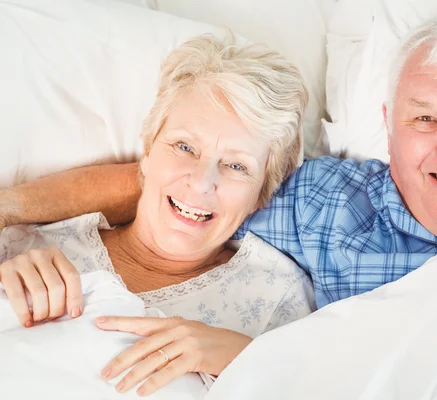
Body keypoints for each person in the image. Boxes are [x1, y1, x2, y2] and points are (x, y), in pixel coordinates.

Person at [2, 13, 437, 307]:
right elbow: (191, 187)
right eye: (426, 117)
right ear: (388, 129)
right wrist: (12, 211)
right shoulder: (325, 202)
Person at [0, 33, 315, 396]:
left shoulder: (276, 296)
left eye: (235, 166)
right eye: (185, 147)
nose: (201, 183)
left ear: (262, 193)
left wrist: (241, 358)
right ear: (147, 153)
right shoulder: (30, 240)